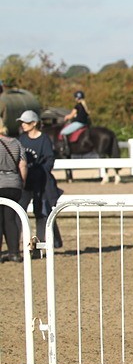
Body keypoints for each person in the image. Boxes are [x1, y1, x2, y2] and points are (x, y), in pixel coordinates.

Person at [17, 110, 63, 252]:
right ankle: (19, 244)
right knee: (19, 211)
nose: (23, 125)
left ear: (34, 123)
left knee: (41, 213)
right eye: (22, 122)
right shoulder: (21, 139)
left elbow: (49, 159)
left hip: (40, 182)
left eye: (26, 122)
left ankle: (42, 244)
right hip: (25, 182)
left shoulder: (44, 139)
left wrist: (40, 172)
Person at [0, 122, 27, 262]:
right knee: (10, 220)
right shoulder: (16, 142)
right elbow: (22, 165)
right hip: (13, 185)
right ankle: (14, 253)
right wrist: (22, 182)